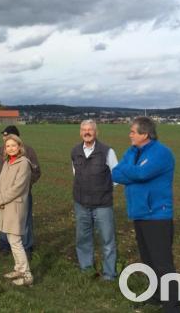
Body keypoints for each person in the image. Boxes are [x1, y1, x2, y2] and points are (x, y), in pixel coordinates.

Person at [112, 117, 180, 312]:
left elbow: (142, 174)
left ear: (145, 134)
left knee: (163, 262)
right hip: (139, 213)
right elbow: (115, 173)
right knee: (148, 261)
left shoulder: (161, 153)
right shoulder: (133, 151)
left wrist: (130, 172)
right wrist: (132, 172)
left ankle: (173, 306)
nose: (130, 135)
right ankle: (157, 296)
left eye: (133, 131)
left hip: (157, 215)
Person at [70, 119, 119, 281]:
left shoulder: (107, 151)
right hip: (81, 203)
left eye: (90, 129)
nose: (87, 132)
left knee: (107, 239)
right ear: (80, 132)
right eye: (84, 129)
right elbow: (75, 173)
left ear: (96, 132)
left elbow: (116, 176)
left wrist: (102, 189)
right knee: (83, 238)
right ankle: (86, 269)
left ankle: (109, 274)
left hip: (102, 204)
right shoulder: (75, 151)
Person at [0, 125, 41, 257]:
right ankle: (5, 246)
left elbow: (36, 172)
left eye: (7, 136)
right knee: (4, 221)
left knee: (24, 221)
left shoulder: (28, 151)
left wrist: (26, 185)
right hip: (3, 196)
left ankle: (27, 247)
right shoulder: (0, 151)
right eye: (4, 136)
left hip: (21, 195)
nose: (4, 138)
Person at [0, 134, 34, 286]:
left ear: (19, 147)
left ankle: (26, 275)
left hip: (15, 206)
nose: (10, 148)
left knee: (16, 241)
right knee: (11, 240)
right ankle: (18, 269)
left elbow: (18, 187)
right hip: (5, 205)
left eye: (13, 145)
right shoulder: (7, 162)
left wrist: (1, 199)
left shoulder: (23, 163)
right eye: (8, 146)